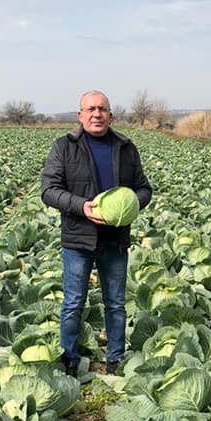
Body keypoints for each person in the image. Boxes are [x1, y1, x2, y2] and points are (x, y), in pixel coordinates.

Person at [41, 90, 152, 376]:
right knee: (73, 302)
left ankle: (115, 359)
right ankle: (69, 358)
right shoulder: (63, 147)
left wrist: (129, 206)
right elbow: (49, 190)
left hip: (114, 239)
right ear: (80, 115)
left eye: (102, 109)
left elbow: (144, 188)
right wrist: (82, 207)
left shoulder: (126, 148)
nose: (97, 114)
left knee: (115, 303)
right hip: (78, 238)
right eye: (90, 109)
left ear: (111, 115)